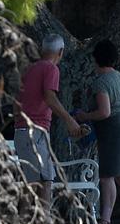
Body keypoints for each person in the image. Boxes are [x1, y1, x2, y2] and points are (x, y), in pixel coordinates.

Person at [74, 40, 120, 224]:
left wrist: (85, 115)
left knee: (106, 176)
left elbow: (104, 112)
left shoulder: (101, 82)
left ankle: (105, 219)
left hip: (112, 130)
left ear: (96, 59)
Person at [15, 35, 83, 207]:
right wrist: (69, 120)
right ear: (61, 52)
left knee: (31, 184)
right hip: (35, 132)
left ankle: (26, 221)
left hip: (22, 131)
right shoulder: (51, 69)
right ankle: (44, 221)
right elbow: (50, 97)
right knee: (45, 181)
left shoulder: (28, 69)